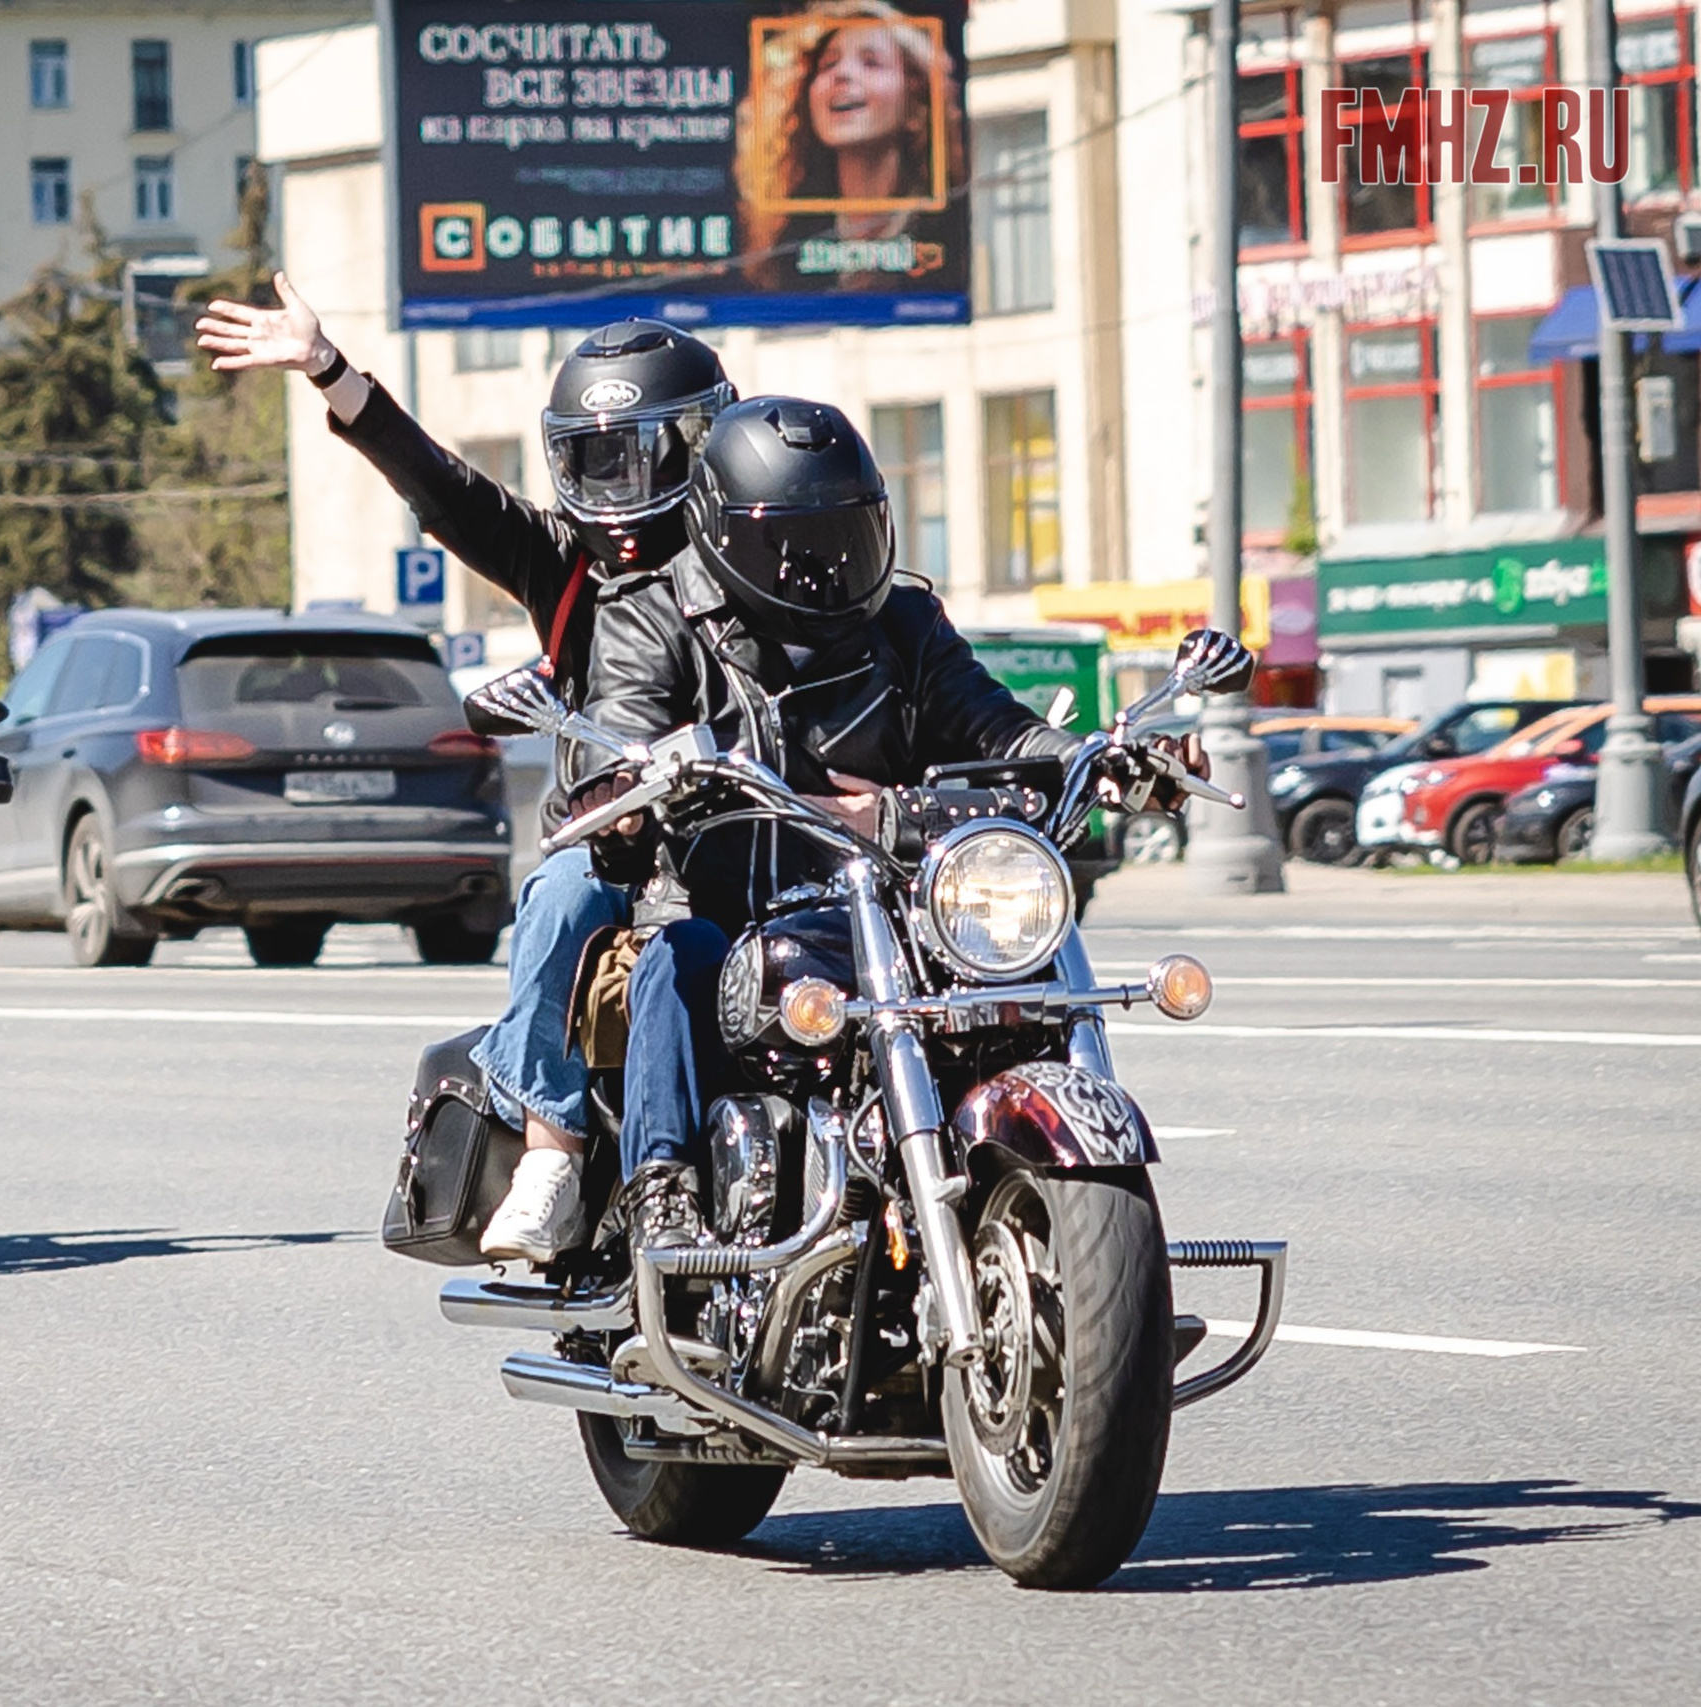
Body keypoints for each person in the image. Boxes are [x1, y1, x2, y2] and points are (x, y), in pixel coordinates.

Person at [574, 398, 1204, 1244]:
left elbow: (997, 726)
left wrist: (1114, 758)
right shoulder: (651, 617)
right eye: (797, 547)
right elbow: (619, 718)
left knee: (1021, 981)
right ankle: (662, 1191)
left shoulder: (903, 624)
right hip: (731, 910)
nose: (829, 567)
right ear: (725, 535)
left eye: (847, 538)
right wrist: (619, 780)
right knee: (678, 958)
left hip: (905, 908)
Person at [194, 277, 733, 1261]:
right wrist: (327, 369)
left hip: (752, 825)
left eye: (639, 449)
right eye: (592, 455)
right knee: (559, 900)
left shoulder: (754, 548)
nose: (615, 475)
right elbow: (440, 486)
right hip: (613, 834)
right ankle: (552, 1156)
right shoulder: (562, 560)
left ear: (701, 445)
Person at [736, 0, 965, 293]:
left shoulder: (947, 236)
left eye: (871, 62)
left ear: (915, 102)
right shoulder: (783, 249)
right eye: (828, 64)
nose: (841, 75)